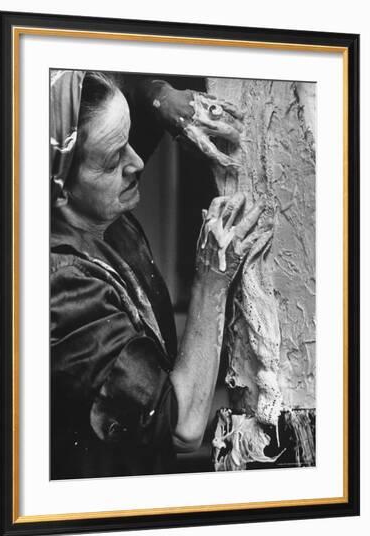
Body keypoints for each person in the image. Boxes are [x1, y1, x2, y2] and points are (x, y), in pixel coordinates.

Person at [50, 70, 269, 479]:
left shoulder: (97, 198)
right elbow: (183, 425)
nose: (137, 162)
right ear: (59, 189)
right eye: (115, 159)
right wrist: (211, 279)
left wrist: (160, 99)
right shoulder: (61, 289)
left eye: (130, 139)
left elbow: (127, 110)